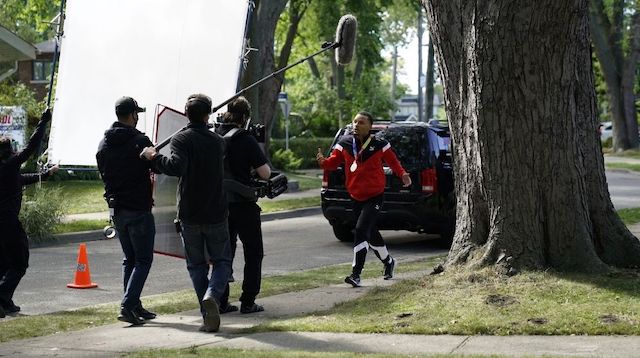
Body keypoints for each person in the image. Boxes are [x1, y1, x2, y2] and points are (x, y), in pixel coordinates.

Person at [140, 93, 232, 333]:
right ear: (207, 114)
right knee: (222, 261)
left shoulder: (181, 139)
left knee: (196, 266)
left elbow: (175, 167)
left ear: (186, 114)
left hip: (190, 213)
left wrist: (154, 157)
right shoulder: (219, 142)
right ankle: (213, 295)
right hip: (216, 212)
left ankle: (206, 310)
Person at [316, 111, 411, 287]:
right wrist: (323, 162)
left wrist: (403, 174)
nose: (356, 125)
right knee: (371, 234)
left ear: (370, 126)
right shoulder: (344, 144)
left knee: (360, 230)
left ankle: (356, 274)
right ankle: (389, 262)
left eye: (361, 122)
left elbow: (393, 162)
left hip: (375, 196)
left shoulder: (380, 144)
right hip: (355, 196)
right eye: (354, 122)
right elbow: (333, 163)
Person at [96, 96, 157, 326]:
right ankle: (127, 305)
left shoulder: (103, 143)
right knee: (142, 260)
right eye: (136, 114)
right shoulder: (140, 141)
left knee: (129, 259)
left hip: (117, 210)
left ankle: (133, 303)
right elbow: (156, 165)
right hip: (139, 209)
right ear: (132, 115)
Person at [0, 109, 58, 318]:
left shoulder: (7, 171)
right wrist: (44, 121)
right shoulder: (9, 165)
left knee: (4, 263)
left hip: (3, 224)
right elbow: (31, 147)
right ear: (9, 152)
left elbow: (23, 179)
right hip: (7, 222)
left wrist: (46, 174)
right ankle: (1, 298)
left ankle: (5, 302)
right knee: (19, 262)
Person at [215, 96, 270, 314]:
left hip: (220, 204)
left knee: (224, 252)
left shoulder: (215, 135)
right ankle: (248, 301)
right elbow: (265, 173)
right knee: (253, 252)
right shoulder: (246, 139)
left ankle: (220, 300)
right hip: (244, 204)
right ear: (246, 117)